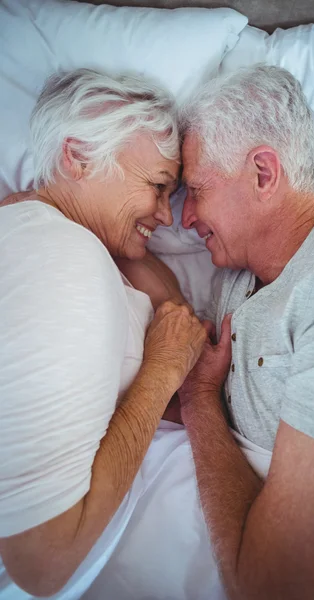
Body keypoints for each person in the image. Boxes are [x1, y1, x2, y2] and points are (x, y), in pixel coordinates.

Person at [179, 64, 314, 600]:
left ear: (262, 172)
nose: (183, 219)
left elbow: (279, 589)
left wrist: (200, 399)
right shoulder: (238, 283)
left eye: (196, 190)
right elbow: (168, 315)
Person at [0, 68, 206, 598]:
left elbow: (174, 314)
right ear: (78, 157)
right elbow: (43, 561)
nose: (167, 216)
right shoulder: (63, 259)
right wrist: (161, 372)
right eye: (159, 187)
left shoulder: (54, 238)